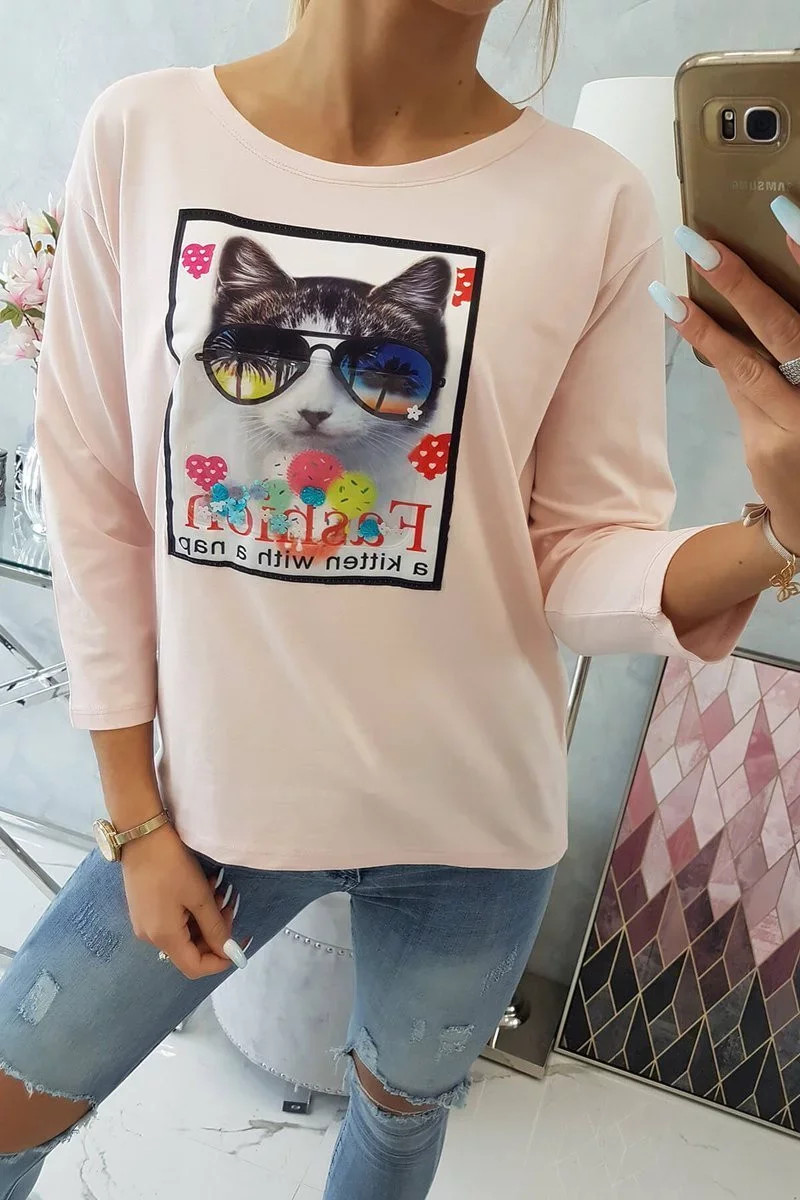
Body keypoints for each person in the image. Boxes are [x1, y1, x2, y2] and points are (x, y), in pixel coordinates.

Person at [2, 0, 800, 1196]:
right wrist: (132, 815)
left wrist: (781, 529)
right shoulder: (143, 133)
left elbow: (577, 559)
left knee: (392, 1132)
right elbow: (97, 493)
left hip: (471, 831)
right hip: (210, 809)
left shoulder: (587, 199)